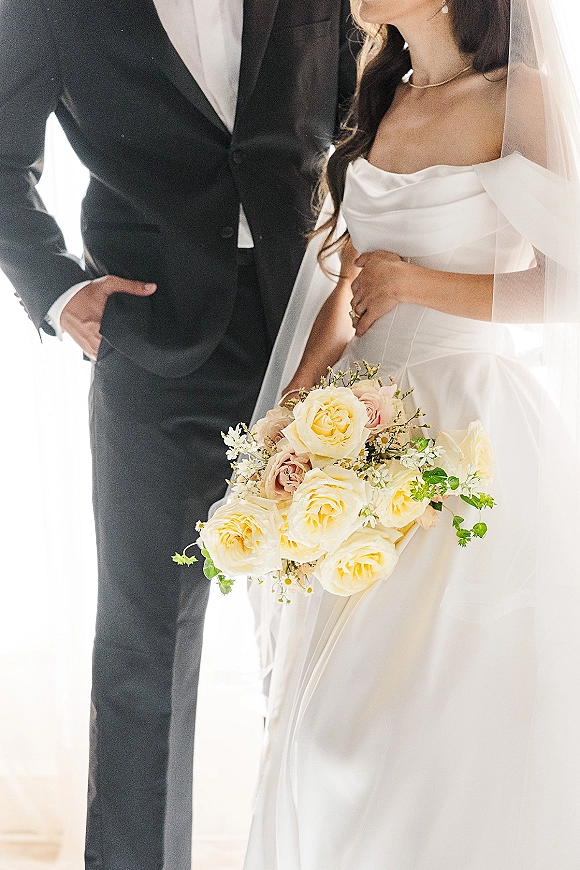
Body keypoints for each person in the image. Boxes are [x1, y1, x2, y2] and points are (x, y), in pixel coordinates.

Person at [0, 2, 357, 869]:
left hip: (315, 333)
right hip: (155, 347)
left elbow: (362, 116)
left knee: (341, 635)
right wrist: (55, 289)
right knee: (143, 644)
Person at [243, 0, 580, 866]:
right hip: (355, 434)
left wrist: (419, 286)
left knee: (437, 710)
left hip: (467, 430)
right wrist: (291, 411)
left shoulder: (523, 98)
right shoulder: (386, 97)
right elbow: (352, 283)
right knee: (332, 723)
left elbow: (569, 287)